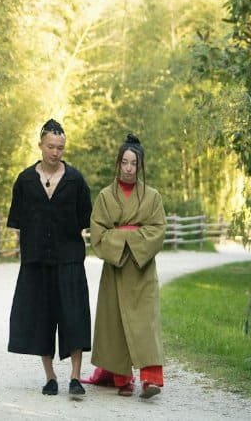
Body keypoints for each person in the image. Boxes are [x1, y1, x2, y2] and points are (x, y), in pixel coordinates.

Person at [7, 119, 93, 396]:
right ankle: (50, 377)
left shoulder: (75, 180)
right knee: (42, 318)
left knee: (74, 317)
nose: (56, 152)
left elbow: (84, 218)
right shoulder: (25, 181)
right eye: (51, 147)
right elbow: (19, 221)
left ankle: (76, 377)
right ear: (41, 146)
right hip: (37, 261)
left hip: (69, 259)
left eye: (61, 147)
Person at [84, 133, 167, 399]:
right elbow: (98, 233)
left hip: (142, 270)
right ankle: (123, 379)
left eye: (134, 163)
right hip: (117, 269)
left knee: (146, 323)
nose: (129, 168)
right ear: (118, 164)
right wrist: (130, 238)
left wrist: (124, 237)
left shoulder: (153, 197)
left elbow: (157, 231)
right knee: (116, 323)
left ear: (140, 166)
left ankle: (151, 380)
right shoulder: (105, 197)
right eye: (125, 162)